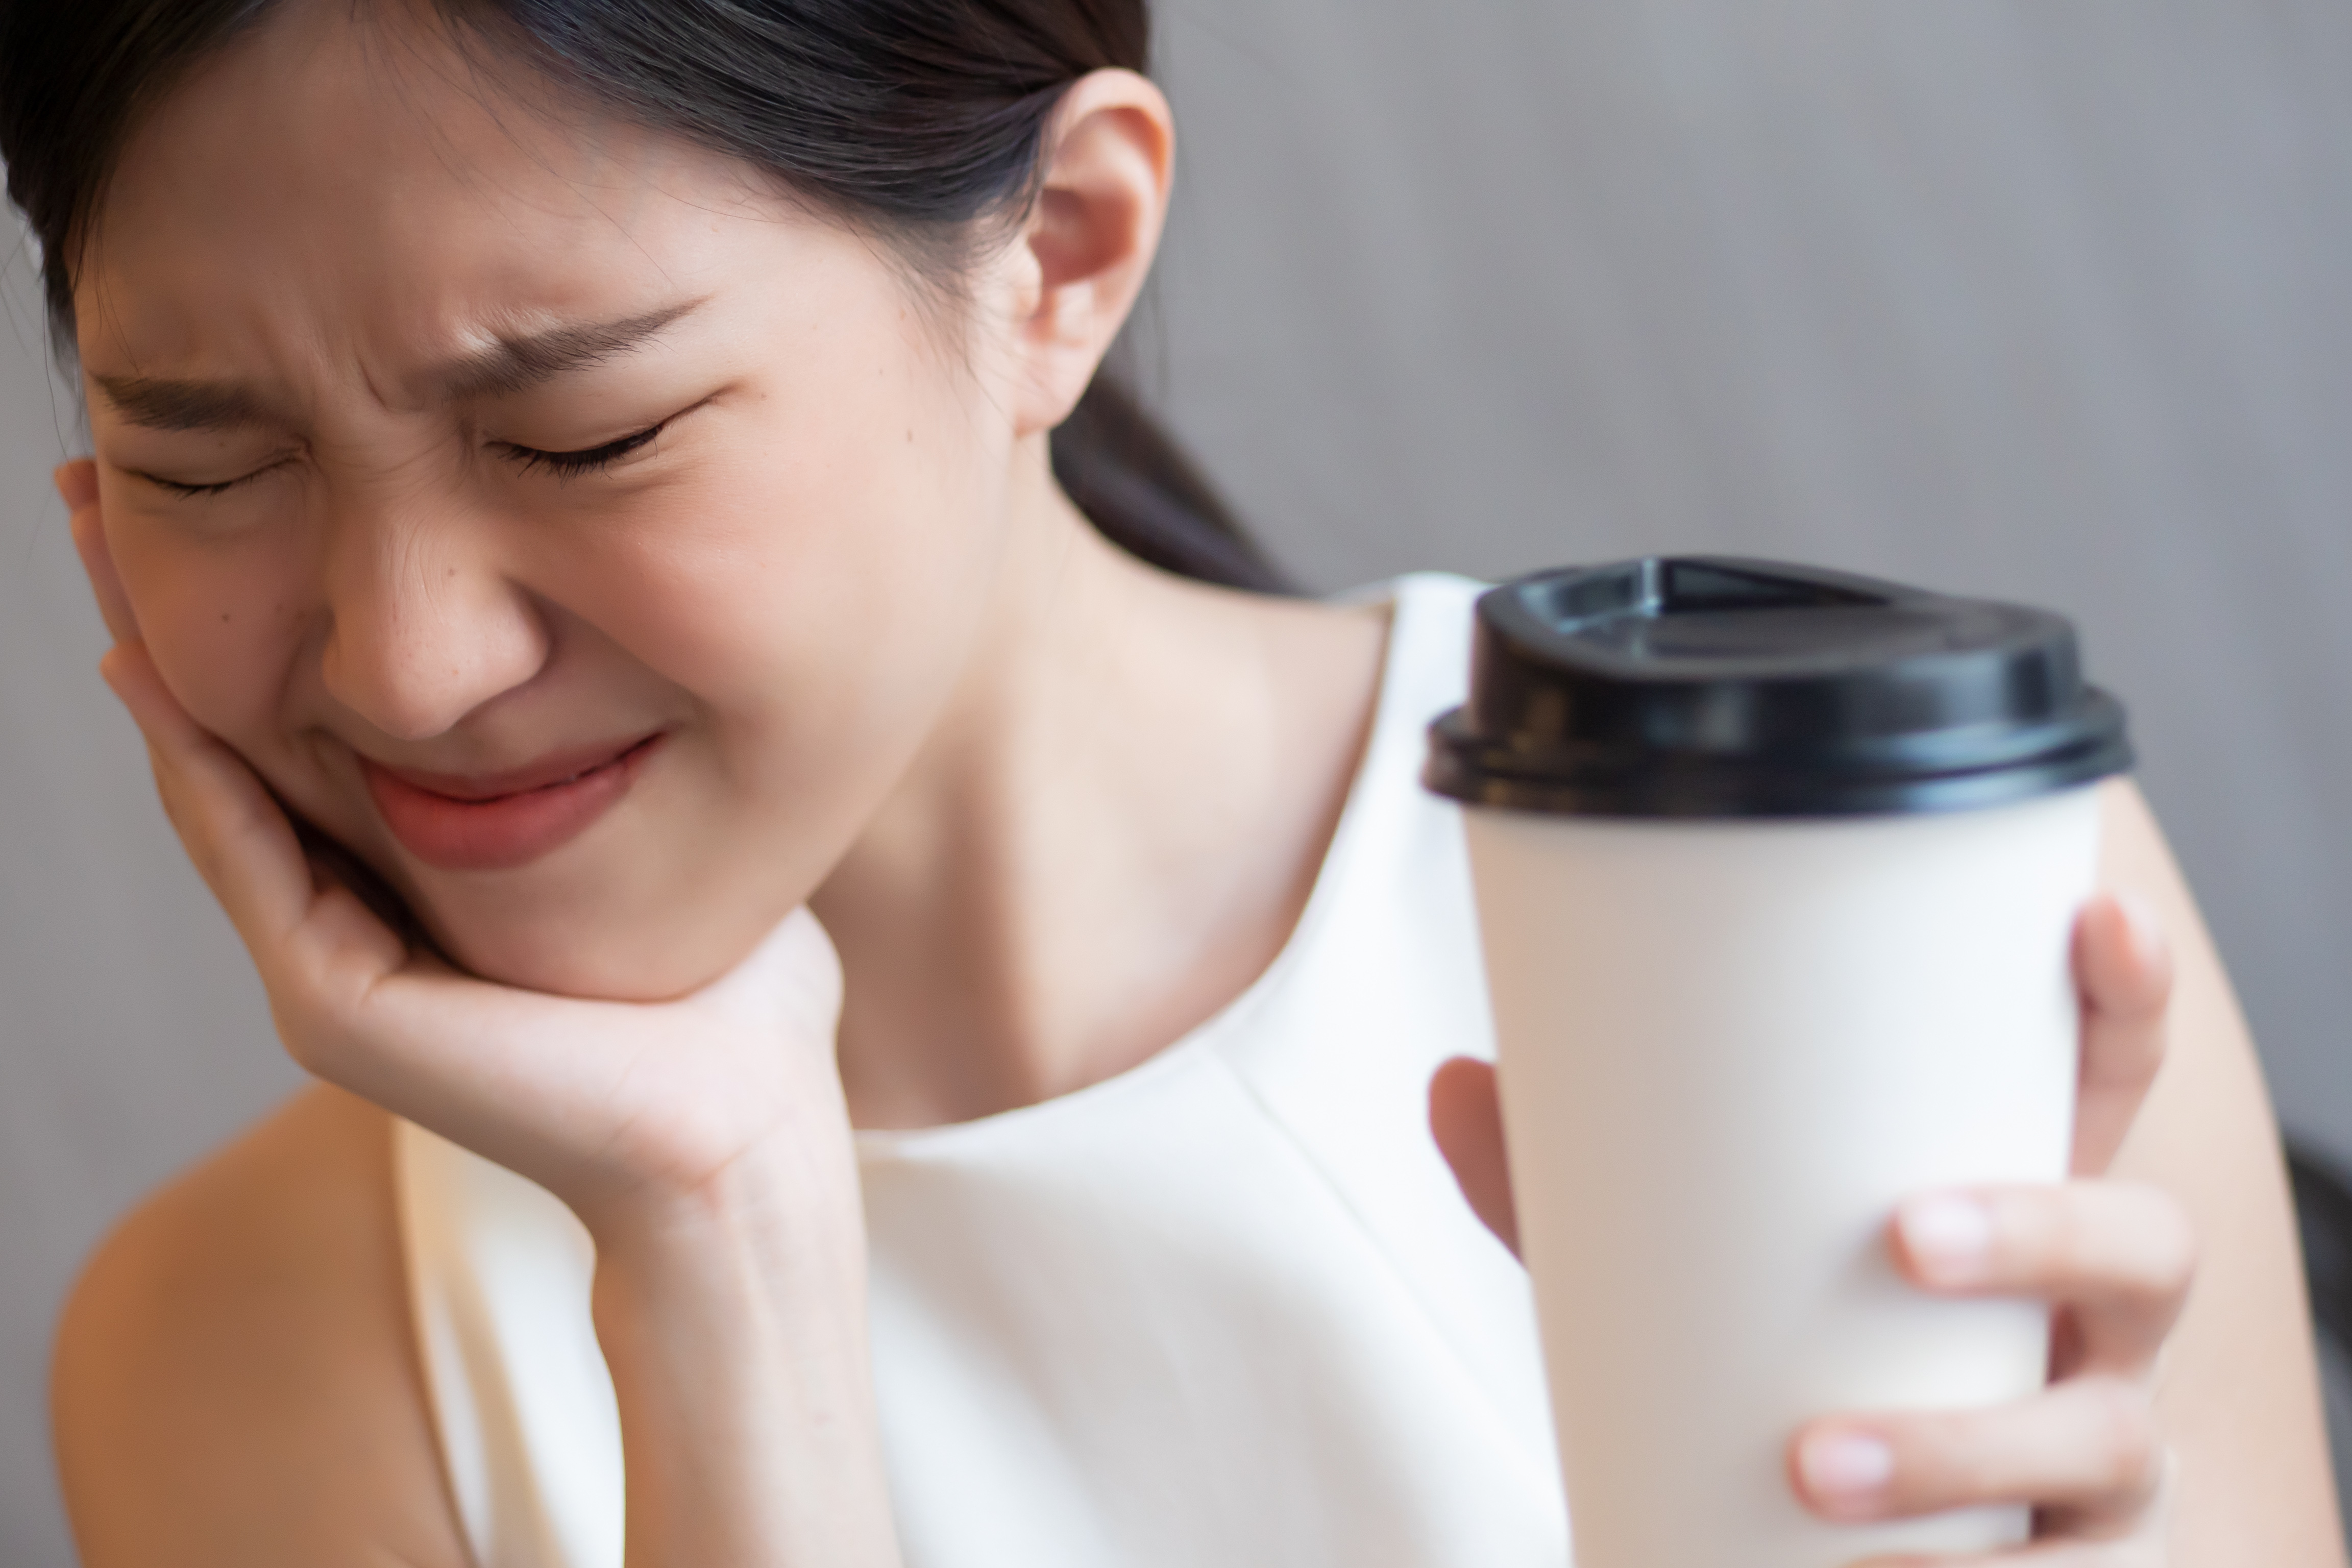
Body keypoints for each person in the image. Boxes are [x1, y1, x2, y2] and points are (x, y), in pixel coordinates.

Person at [3, 1, 2338, 1563]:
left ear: (1066, 254)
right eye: (209, 466)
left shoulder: (1840, 924)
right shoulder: (258, 1345)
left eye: (581, 433)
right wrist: (714, 1248)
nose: (404, 655)